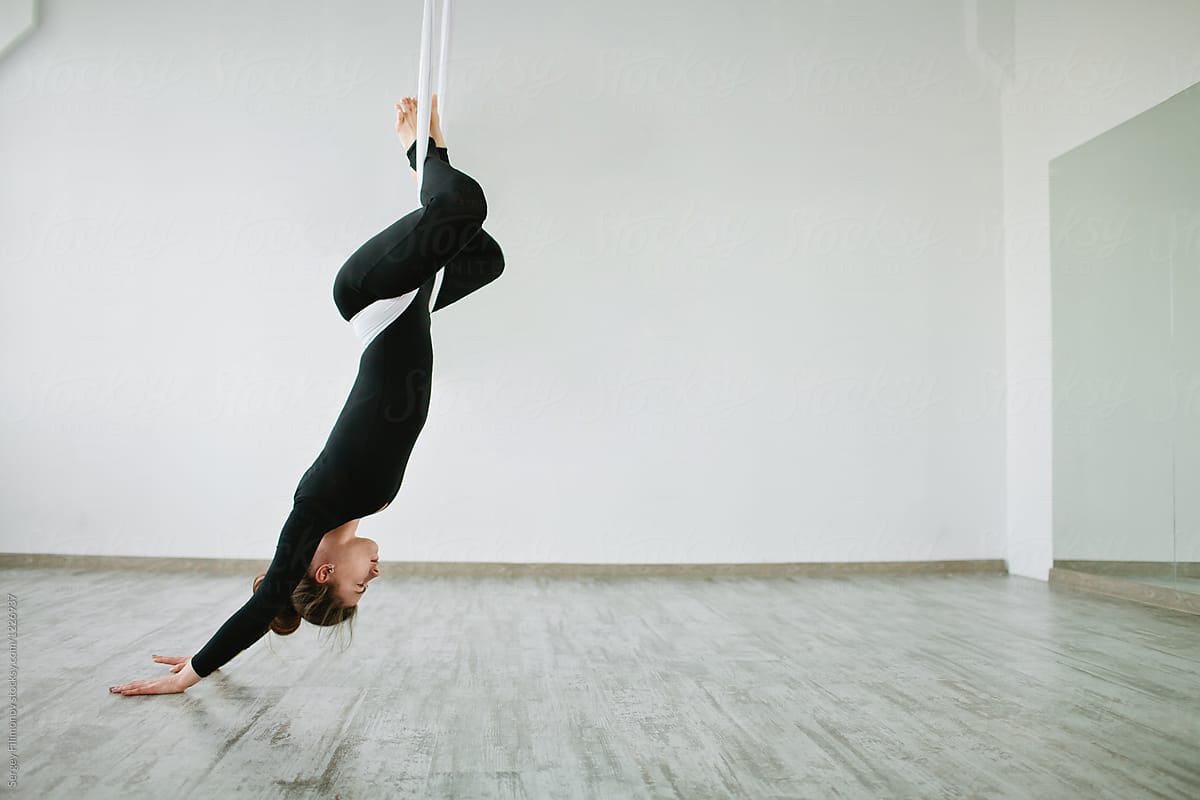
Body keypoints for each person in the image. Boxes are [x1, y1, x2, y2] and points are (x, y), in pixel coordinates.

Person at [109, 95, 504, 696]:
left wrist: (193, 671)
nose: (375, 572)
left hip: (371, 299)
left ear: (323, 571)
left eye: (360, 584)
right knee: (483, 256)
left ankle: (420, 148)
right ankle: (425, 158)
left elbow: (268, 599)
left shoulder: (317, 502)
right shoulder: (369, 505)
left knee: (458, 206)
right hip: (407, 305)